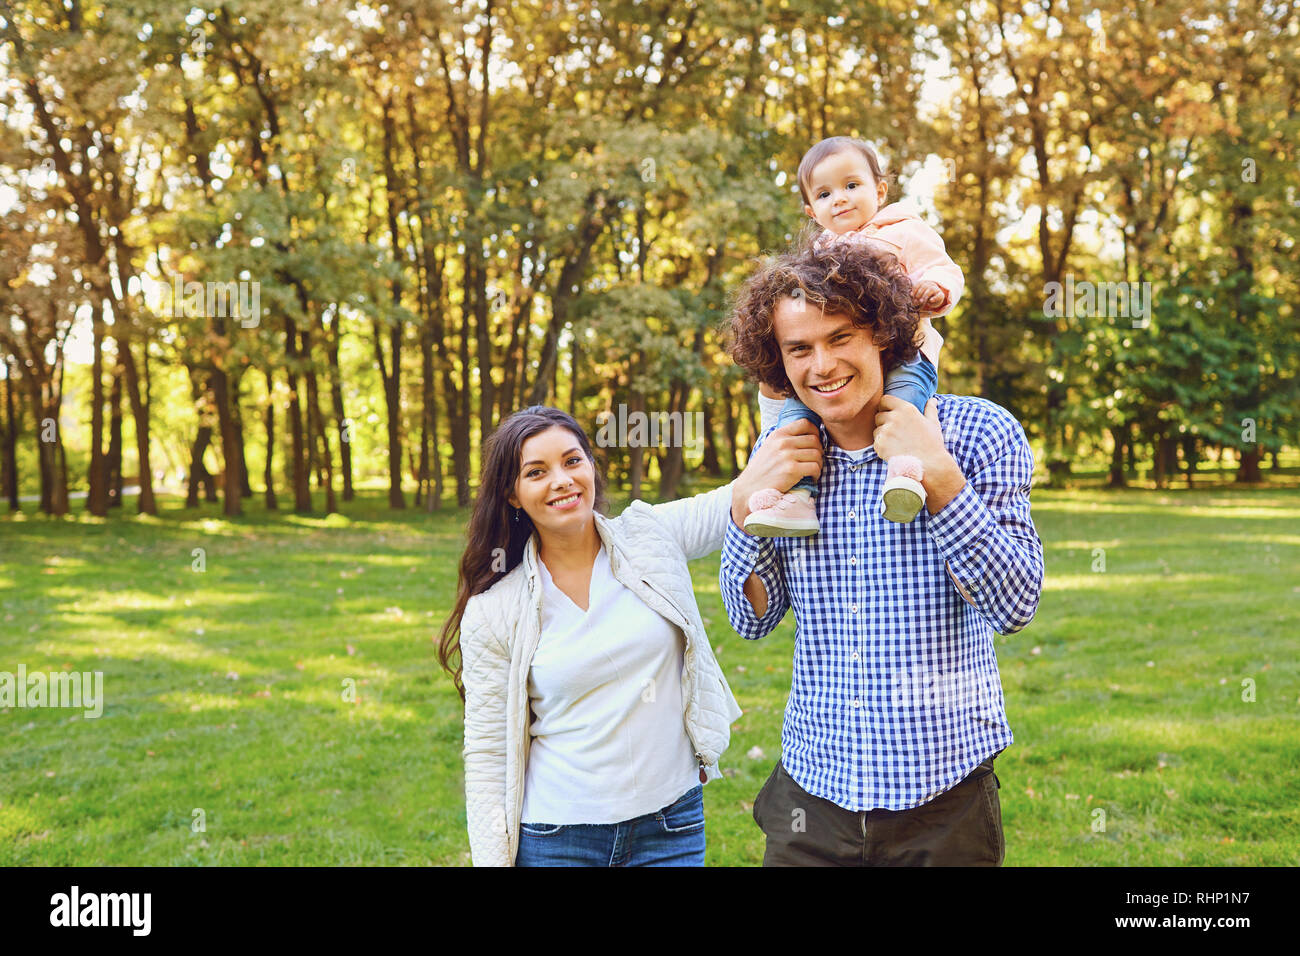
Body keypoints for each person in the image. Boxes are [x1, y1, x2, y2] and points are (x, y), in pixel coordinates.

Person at [720, 237, 1045, 866]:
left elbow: (1016, 605)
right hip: (811, 797)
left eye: (840, 337)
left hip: (943, 799)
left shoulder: (980, 433)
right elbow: (751, 619)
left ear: (883, 336)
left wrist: (942, 481)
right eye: (800, 349)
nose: (822, 365)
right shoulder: (782, 455)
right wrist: (745, 511)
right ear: (778, 362)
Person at [439, 405, 822, 866]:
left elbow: (742, 494)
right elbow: (487, 751)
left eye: (572, 460)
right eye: (536, 472)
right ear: (514, 494)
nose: (561, 480)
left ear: (590, 467)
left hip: (670, 826)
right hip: (557, 838)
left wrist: (783, 399)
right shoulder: (494, 610)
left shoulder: (650, 536)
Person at [745, 136, 964, 536]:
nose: (841, 199)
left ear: (879, 190)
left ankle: (905, 471)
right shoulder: (817, 256)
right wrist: (744, 492)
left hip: (907, 352)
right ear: (812, 210)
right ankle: (797, 497)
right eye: (826, 193)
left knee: (901, 406)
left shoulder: (903, 230)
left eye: (851, 186)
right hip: (845, 385)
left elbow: (943, 269)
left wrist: (935, 288)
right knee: (794, 419)